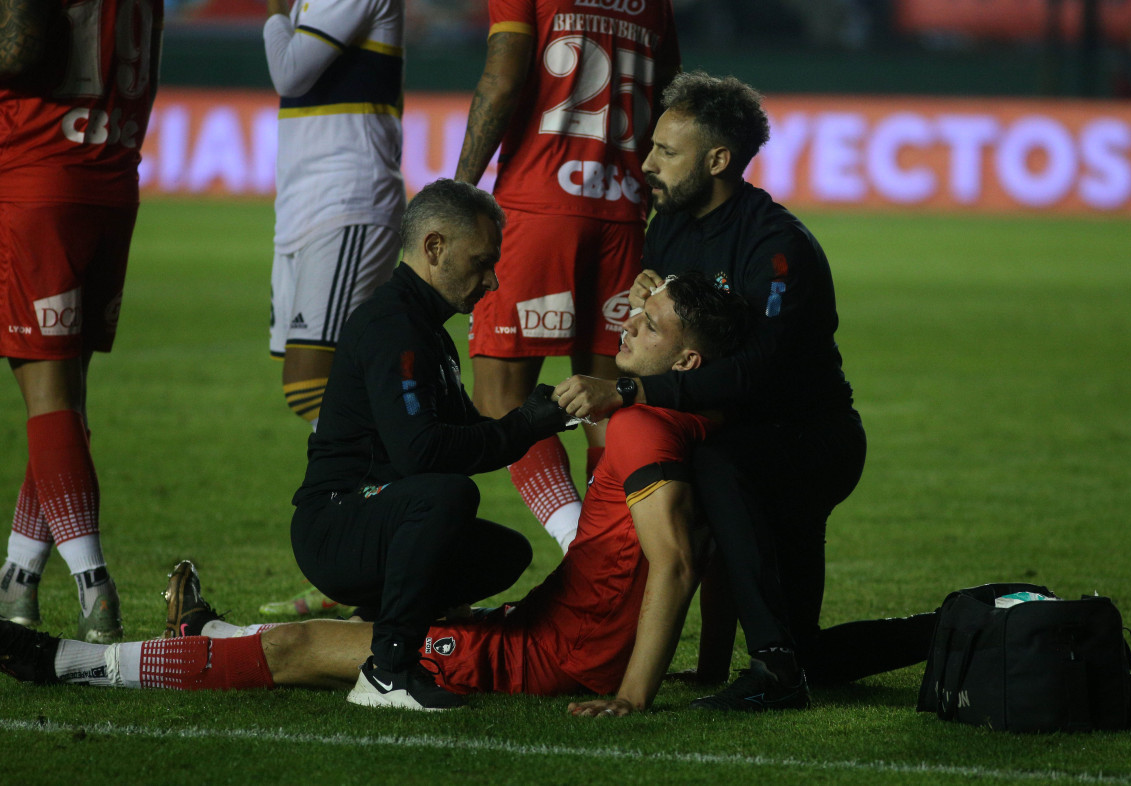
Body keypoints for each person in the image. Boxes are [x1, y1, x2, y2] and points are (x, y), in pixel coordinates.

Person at [0, 272, 763, 717]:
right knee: (422, 587)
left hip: (543, 656)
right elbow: (707, 548)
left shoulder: (641, 432)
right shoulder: (694, 422)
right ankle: (210, 627)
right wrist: (712, 665)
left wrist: (632, 697)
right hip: (542, 628)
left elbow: (676, 566)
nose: (630, 320)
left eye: (651, 322)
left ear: (687, 357)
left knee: (298, 650)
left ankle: (69, 661)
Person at [553, 71, 934, 711]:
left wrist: (630, 391)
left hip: (810, 440)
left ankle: (773, 671)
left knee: (717, 465)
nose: (647, 164)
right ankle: (948, 627)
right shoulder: (669, 225)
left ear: (719, 160)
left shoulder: (776, 246)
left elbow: (757, 372)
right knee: (806, 644)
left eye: (667, 153)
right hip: (746, 433)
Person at [290, 178, 579, 710]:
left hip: (375, 517)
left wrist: (535, 418)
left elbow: (468, 437)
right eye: (481, 262)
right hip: (336, 522)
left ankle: (378, 619)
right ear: (434, 247)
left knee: (504, 552)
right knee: (445, 495)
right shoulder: (393, 326)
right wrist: (523, 426)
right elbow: (421, 453)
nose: (491, 281)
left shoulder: (426, 328)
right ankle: (388, 671)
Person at [453, 0, 681, 553]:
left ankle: (581, 543)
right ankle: (619, 555)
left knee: (501, 398)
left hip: (538, 206)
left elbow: (503, 80)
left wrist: (460, 191)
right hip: (624, 213)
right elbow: (673, 103)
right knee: (611, 402)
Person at [0, 0, 165, 643]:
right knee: (64, 402)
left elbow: (20, 51)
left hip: (37, 178)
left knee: (49, 402)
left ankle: (95, 590)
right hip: (110, 180)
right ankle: (18, 576)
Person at [258, 0, 407, 618]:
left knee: (315, 386)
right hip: (302, 202)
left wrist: (273, 16)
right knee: (343, 387)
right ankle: (372, 561)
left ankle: (364, 551)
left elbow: (290, 72)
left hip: (345, 195)